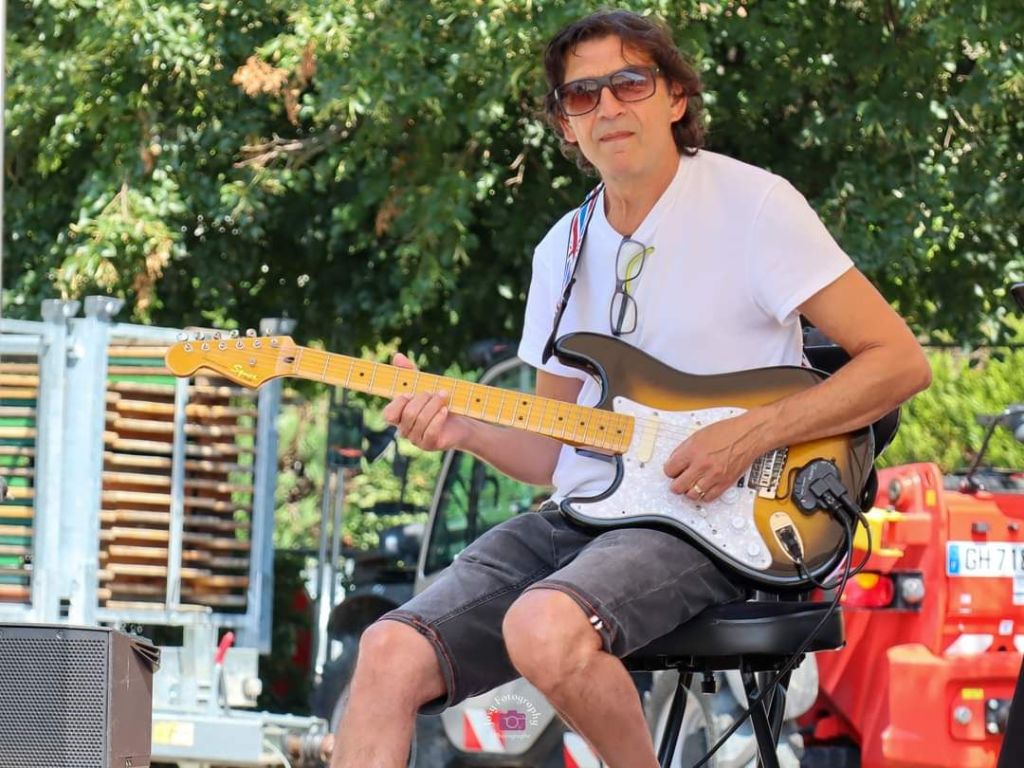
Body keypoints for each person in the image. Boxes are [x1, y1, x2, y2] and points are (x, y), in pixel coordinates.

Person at [329, 10, 932, 768]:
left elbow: (899, 364)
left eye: (629, 83)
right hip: (585, 514)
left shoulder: (755, 207)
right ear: (565, 125)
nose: (608, 106)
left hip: (711, 517)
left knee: (542, 627)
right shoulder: (562, 249)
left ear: (675, 96)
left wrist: (747, 436)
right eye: (582, 95)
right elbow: (551, 453)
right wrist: (462, 429)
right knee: (386, 651)